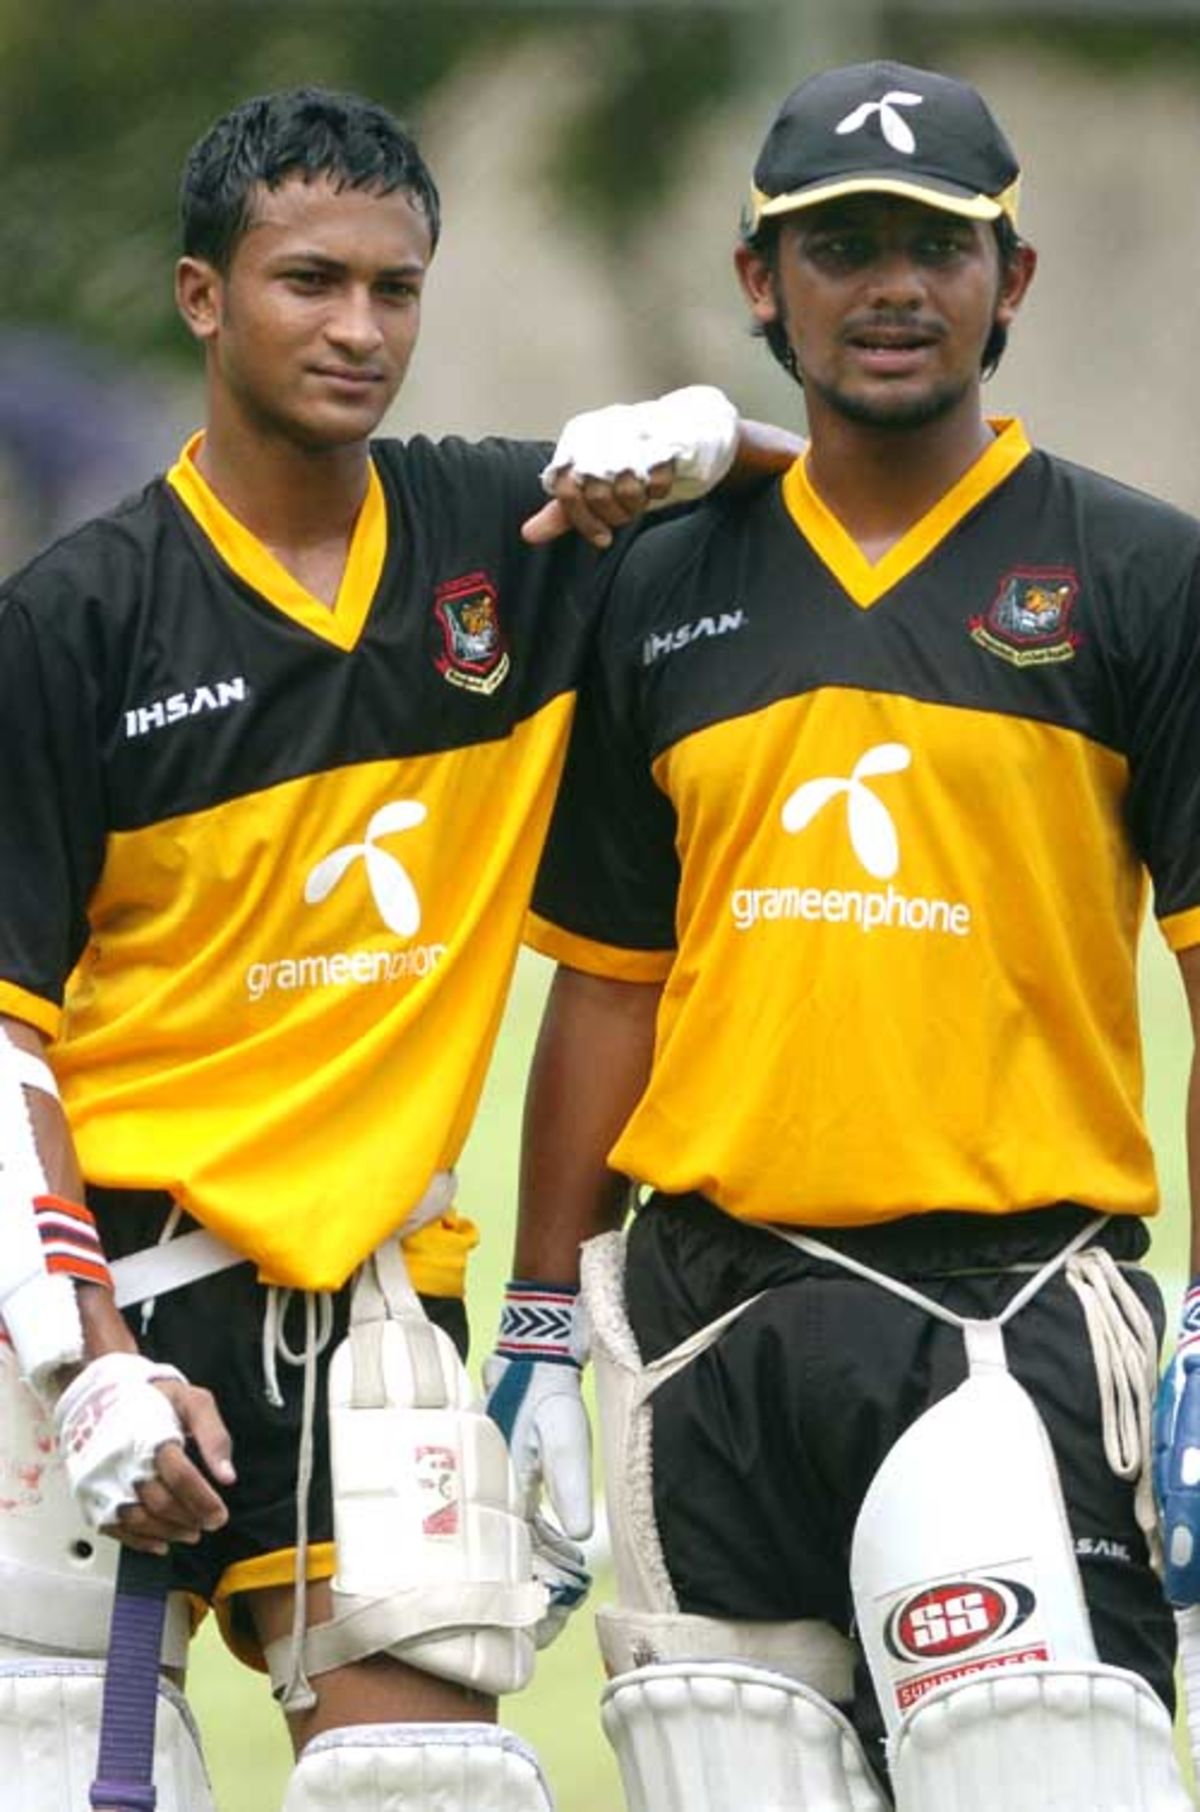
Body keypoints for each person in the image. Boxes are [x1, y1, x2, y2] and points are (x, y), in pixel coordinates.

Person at [0, 85, 800, 1812]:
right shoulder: (73, 620)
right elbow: (4, 1041)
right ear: (203, 295)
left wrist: (709, 435)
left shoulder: (510, 539)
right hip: (95, 1295)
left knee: (430, 1785)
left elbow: (848, 524)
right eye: (310, 281)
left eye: (395, 288)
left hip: (368, 1314)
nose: (359, 329)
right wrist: (88, 1361)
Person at [500, 58, 1200, 1812]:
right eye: (840, 247)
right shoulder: (661, 586)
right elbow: (608, 988)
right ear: (763, 280)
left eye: (936, 247)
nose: (892, 286)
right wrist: (536, 1328)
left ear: (1010, 279)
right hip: (708, 1328)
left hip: (1011, 1313)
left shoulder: (1140, 576)